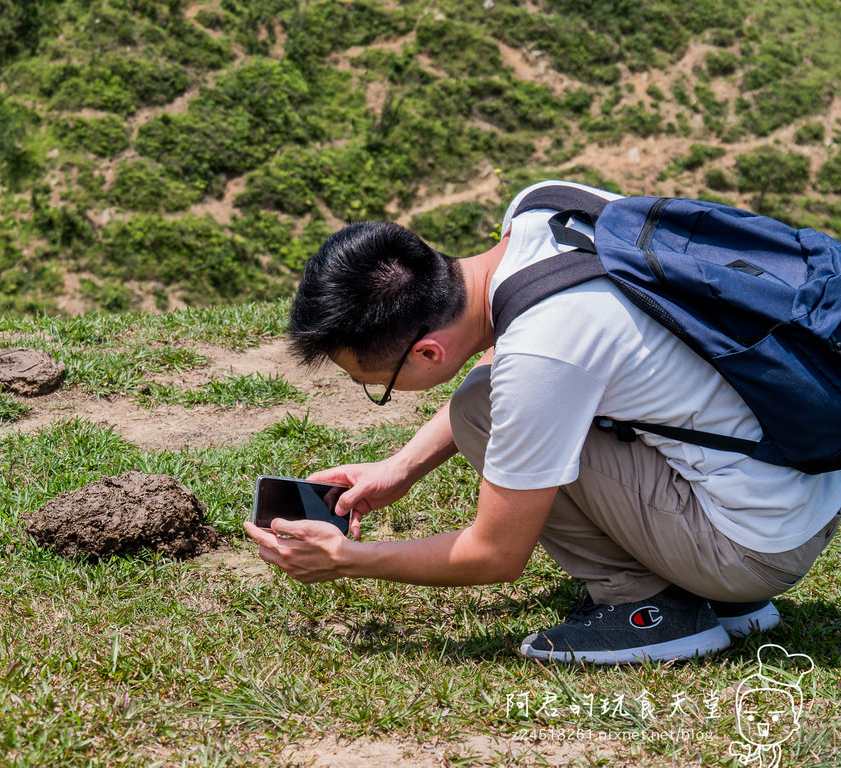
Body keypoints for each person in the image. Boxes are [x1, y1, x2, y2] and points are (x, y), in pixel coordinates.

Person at [243, 180, 841, 664]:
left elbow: (495, 555)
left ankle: (653, 610)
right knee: (486, 395)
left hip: (753, 548)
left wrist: (348, 561)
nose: (383, 394)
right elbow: (518, 356)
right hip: (795, 485)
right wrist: (398, 470)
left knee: (483, 406)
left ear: (427, 352)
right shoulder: (542, 206)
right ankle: (714, 597)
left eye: (379, 387)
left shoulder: (543, 353)